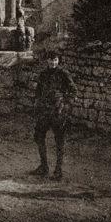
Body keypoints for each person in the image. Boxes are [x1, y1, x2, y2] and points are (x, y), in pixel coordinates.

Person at [32, 50, 76, 180]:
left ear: (58, 61)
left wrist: (64, 103)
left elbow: (73, 91)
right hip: (44, 111)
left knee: (59, 140)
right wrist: (37, 104)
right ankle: (44, 167)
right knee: (39, 136)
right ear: (47, 61)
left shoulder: (64, 74)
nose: (53, 62)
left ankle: (58, 170)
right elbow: (38, 91)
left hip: (58, 111)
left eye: (55, 60)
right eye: (51, 60)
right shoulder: (43, 74)